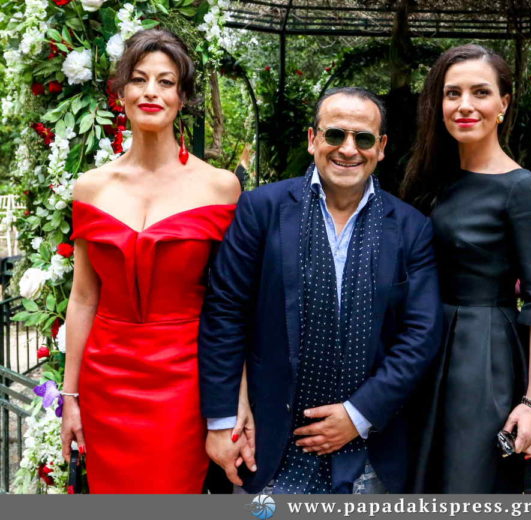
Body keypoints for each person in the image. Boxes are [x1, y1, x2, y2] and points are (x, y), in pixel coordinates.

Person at [198, 87, 442, 494]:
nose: (348, 149)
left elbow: (421, 335)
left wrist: (358, 414)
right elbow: (225, 312)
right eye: (335, 135)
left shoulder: (411, 228)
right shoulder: (261, 210)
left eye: (363, 138)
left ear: (381, 147)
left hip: (370, 452)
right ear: (313, 139)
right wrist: (222, 421)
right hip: (268, 445)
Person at [59, 29, 252, 493]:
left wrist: (239, 397)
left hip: (185, 381)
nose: (151, 92)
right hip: (105, 381)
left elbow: (235, 304)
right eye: (139, 79)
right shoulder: (90, 187)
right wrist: (70, 397)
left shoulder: (220, 187)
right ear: (121, 92)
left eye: (166, 82)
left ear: (182, 98)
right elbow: (83, 298)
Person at [401, 44, 531, 493]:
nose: (464, 105)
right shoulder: (433, 178)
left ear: (503, 104)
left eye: (480, 92)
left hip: (483, 355)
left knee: (468, 482)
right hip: (428, 347)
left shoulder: (521, 189)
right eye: (452, 94)